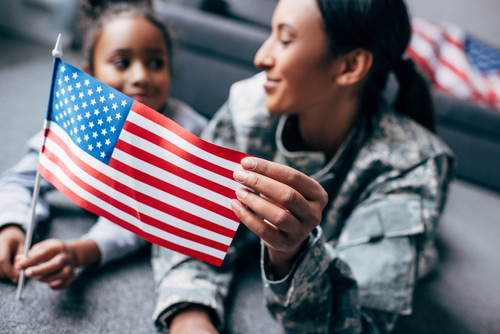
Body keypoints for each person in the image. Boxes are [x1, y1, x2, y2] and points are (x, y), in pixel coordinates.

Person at [152, 0, 455, 333]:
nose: (261, 57)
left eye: (285, 39)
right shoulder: (249, 107)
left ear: (350, 65)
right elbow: (188, 220)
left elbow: (359, 321)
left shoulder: (410, 165)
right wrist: (190, 315)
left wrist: (293, 254)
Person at [0, 0, 207, 290]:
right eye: (122, 62)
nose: (141, 77)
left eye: (156, 63)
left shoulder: (187, 134)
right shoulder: (80, 118)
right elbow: (23, 178)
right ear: (91, 74)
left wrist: (83, 250)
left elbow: (144, 216)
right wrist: (12, 225)